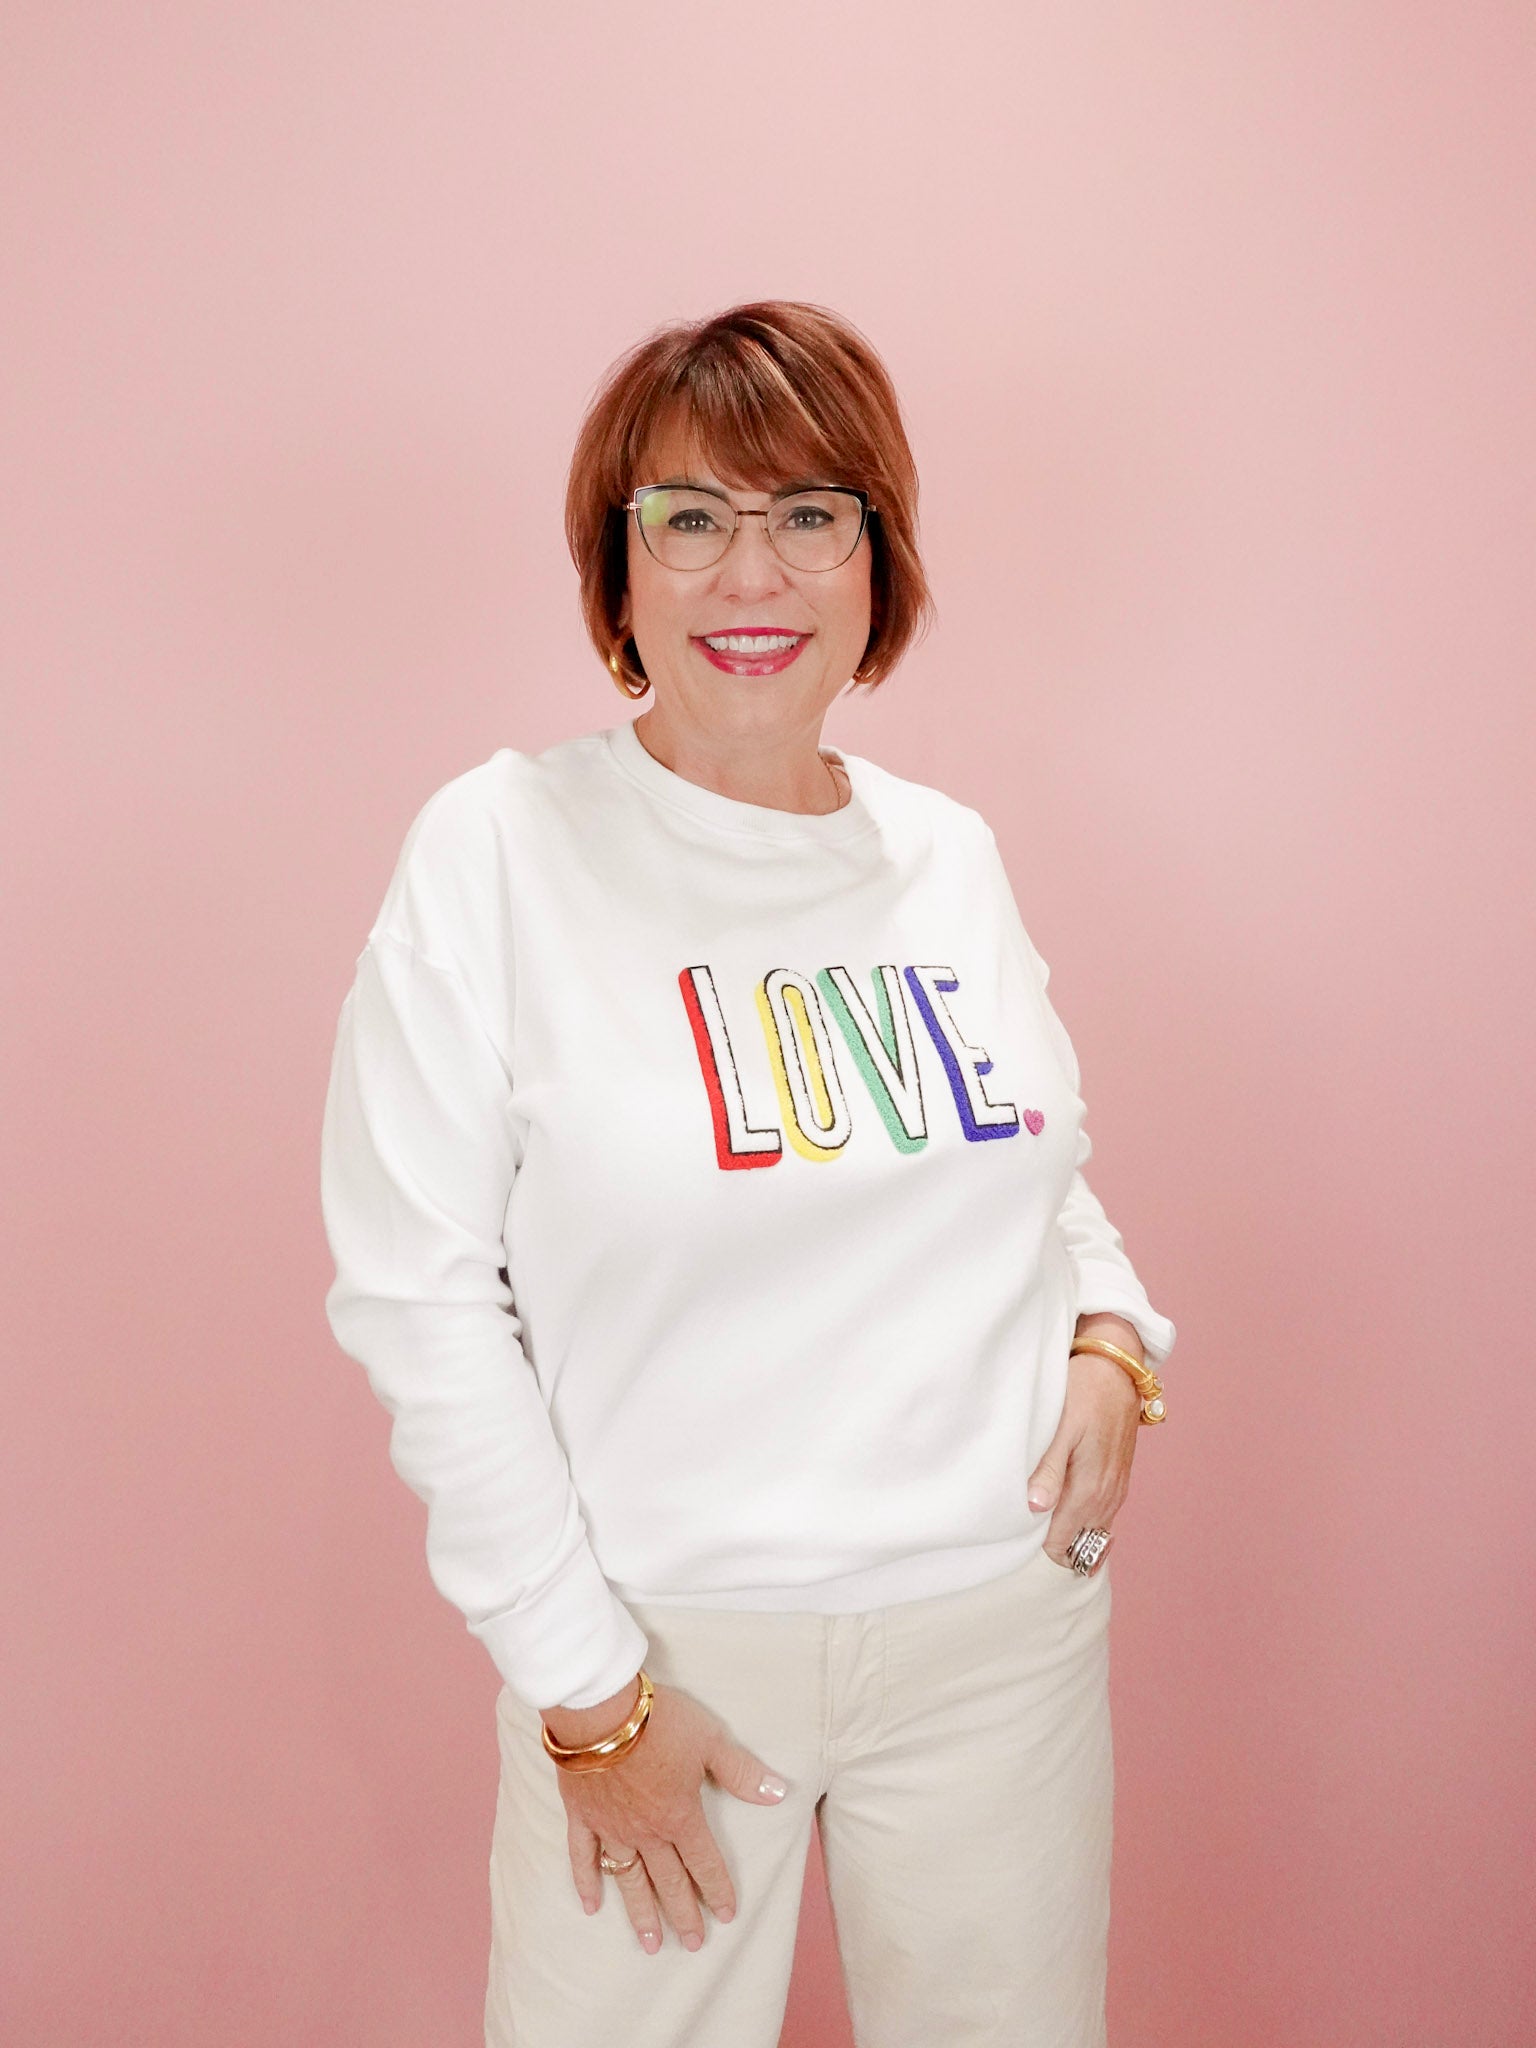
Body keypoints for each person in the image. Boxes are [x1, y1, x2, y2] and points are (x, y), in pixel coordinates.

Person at [319, 299, 1175, 2048]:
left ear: (877, 561)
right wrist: (589, 1696)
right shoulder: (502, 849)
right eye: (690, 519)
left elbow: (1029, 1163)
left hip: (997, 1633)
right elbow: (418, 1299)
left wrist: (1112, 1327)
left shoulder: (946, 854)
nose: (749, 572)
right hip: (666, 1651)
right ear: (616, 571)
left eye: (806, 516)